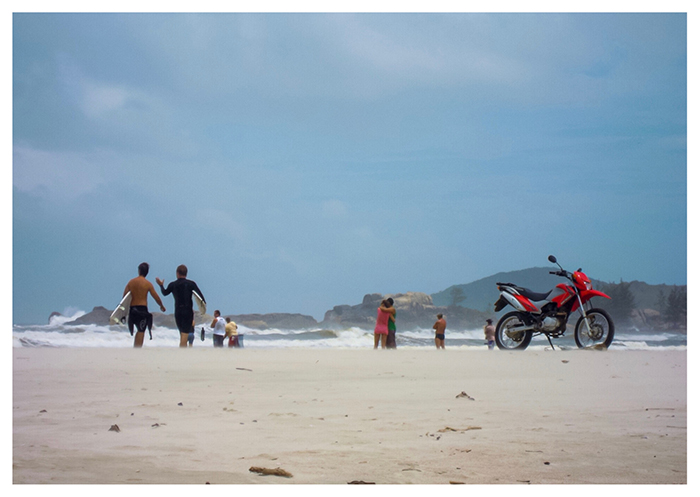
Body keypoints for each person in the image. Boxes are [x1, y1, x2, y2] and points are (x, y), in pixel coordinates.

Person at [156, 265, 206, 348]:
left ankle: (182, 353)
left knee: (182, 333)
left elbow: (164, 293)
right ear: (186, 273)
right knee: (184, 334)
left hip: (178, 312)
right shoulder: (191, 284)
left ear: (177, 273)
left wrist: (161, 285)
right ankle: (182, 354)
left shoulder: (173, 284)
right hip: (188, 312)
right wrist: (203, 309)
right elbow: (201, 298)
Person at [123, 262, 166, 348]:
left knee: (138, 331)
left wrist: (123, 312)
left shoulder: (131, 282)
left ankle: (135, 348)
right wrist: (161, 305)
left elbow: (124, 297)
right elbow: (156, 297)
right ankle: (137, 350)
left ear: (139, 271)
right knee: (141, 331)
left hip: (132, 310)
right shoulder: (148, 284)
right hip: (142, 311)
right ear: (147, 272)